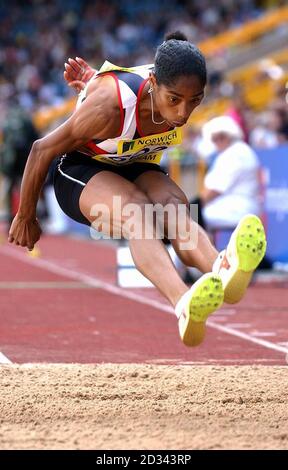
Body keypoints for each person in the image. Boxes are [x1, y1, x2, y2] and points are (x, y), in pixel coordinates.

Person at [8, 32, 266, 347]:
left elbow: (125, 82)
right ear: (155, 84)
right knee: (137, 212)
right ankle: (183, 303)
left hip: (134, 161)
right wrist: (26, 215)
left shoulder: (175, 85)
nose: (183, 113)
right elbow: (40, 149)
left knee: (175, 206)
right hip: (81, 169)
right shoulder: (110, 106)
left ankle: (222, 268)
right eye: (175, 100)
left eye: (195, 100)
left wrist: (92, 80)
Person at [197, 115, 261, 230]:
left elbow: (215, 190)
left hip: (237, 208)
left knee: (190, 216)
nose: (217, 142)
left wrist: (193, 204)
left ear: (229, 135)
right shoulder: (239, 150)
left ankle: (189, 248)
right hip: (236, 205)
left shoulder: (235, 154)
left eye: (220, 137)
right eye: (214, 139)